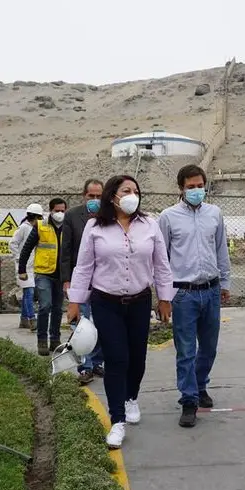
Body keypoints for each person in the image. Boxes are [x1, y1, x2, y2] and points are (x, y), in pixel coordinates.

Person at [66, 175, 174, 449]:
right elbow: (84, 267)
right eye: (126, 190)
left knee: (137, 357)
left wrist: (165, 298)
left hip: (139, 301)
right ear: (112, 195)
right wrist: (75, 301)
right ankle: (117, 420)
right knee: (117, 358)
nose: (132, 195)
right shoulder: (95, 227)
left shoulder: (150, 225)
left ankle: (131, 397)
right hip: (106, 302)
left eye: (136, 191)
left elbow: (161, 265)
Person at [158, 164, 231, 427]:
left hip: (211, 291)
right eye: (191, 187)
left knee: (209, 348)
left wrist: (225, 282)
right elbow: (161, 258)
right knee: (186, 350)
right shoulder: (167, 217)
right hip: (184, 294)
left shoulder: (215, 213)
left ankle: (200, 386)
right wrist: (163, 295)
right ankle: (188, 400)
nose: (197, 191)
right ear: (181, 189)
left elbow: (221, 248)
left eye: (200, 186)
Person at [61, 178, 106, 384]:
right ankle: (84, 367)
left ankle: (97, 362)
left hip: (103, 281)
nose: (95, 200)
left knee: (102, 325)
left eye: (99, 196)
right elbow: (66, 250)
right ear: (84, 196)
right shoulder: (71, 216)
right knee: (81, 326)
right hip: (79, 279)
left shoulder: (110, 216)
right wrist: (67, 280)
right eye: (91, 196)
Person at [18, 198, 68, 356]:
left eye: (63, 210)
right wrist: (21, 269)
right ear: (51, 210)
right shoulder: (41, 226)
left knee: (58, 309)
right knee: (45, 305)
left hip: (61, 275)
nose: (60, 213)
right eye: (57, 210)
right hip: (44, 273)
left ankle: (55, 340)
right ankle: (42, 340)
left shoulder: (68, 227)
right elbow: (26, 248)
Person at [10, 204, 44, 330]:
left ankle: (23, 320)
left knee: (27, 292)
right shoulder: (24, 228)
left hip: (33, 267)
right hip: (23, 267)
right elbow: (12, 243)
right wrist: (20, 259)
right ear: (35, 217)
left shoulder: (37, 228)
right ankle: (32, 319)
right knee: (29, 292)